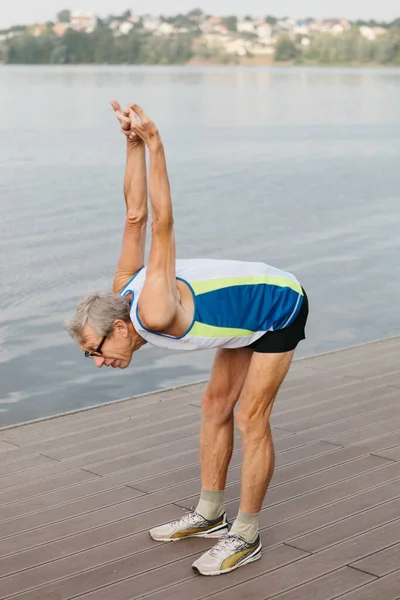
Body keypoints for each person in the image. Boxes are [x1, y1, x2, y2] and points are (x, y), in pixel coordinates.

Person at [65, 102, 309, 577]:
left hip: (278, 306)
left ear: (119, 328)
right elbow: (134, 215)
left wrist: (156, 143)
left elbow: (161, 223)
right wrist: (131, 145)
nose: (97, 362)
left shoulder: (153, 309)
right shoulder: (123, 287)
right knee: (214, 407)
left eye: (95, 352)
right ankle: (210, 514)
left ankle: (247, 533)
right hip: (241, 316)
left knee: (248, 417)